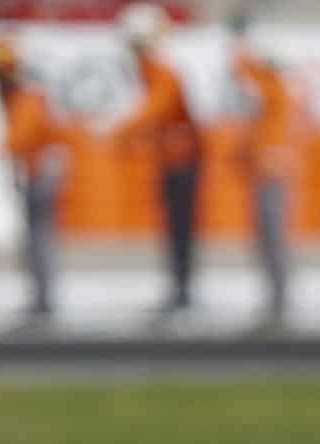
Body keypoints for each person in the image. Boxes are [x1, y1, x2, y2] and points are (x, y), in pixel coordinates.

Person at [112, 2, 204, 314]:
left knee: (181, 228)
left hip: (182, 161)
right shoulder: (153, 70)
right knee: (175, 228)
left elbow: (156, 109)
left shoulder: (162, 70)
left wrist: (122, 131)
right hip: (171, 159)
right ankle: (179, 287)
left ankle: (183, 290)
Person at [0, 33, 66, 322]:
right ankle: (40, 296)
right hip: (35, 173)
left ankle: (43, 298)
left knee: (38, 238)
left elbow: (20, 138)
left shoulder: (26, 99)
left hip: (41, 175)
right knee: (34, 238)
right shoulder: (18, 98)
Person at [230, 11, 301, 325]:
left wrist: (240, 43)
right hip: (268, 171)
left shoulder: (274, 90)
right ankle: (276, 294)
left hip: (272, 173)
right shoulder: (276, 89)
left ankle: (279, 296)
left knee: (272, 237)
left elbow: (244, 73)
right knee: (268, 237)